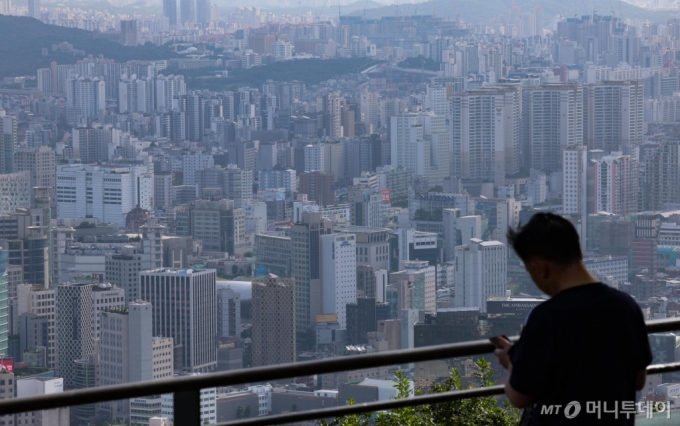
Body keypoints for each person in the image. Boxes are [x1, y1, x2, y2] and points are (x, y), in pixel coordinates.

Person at [494, 213, 652, 425]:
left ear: (540, 268)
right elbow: (639, 380)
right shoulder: (626, 306)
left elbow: (519, 397)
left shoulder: (545, 318)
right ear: (579, 251)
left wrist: (511, 362)